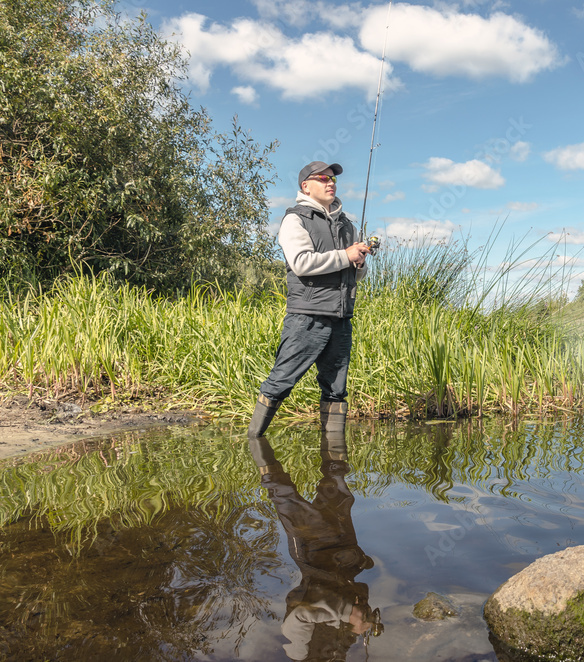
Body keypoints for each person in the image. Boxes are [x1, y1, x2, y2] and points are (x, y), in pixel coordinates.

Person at [248, 161, 371, 438]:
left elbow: (355, 275)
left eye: (334, 180)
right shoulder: (295, 219)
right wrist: (346, 255)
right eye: (323, 178)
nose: (331, 183)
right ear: (305, 186)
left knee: (336, 391)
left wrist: (359, 262)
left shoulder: (347, 225)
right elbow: (301, 263)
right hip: (306, 316)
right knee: (281, 381)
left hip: (341, 318)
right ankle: (253, 442)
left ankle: (334, 468)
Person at [248, 434, 382, 660]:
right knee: (337, 480)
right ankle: (334, 403)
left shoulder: (298, 653)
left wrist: (349, 614)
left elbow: (301, 615)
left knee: (281, 491)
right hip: (344, 555)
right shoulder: (340, 650)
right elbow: (353, 604)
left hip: (313, 553)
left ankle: (256, 437)